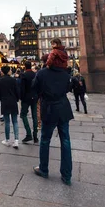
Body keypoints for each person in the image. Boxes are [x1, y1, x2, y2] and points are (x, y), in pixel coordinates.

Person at [32, 54, 74, 186]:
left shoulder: (42, 73)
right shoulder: (66, 74)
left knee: (45, 140)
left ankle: (43, 169)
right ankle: (66, 175)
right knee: (65, 141)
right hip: (63, 108)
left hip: (49, 108)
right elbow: (68, 89)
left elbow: (35, 89)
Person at [0, 66, 20, 149]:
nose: (11, 71)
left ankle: (7, 140)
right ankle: (16, 140)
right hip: (13, 101)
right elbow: (17, 91)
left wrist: (2, 99)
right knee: (15, 121)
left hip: (5, 102)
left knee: (7, 122)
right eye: (10, 70)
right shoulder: (14, 80)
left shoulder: (0, 80)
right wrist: (16, 99)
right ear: (8, 71)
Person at [19, 62, 38, 144]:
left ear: (25, 67)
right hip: (34, 97)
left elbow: (22, 88)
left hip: (26, 98)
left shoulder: (24, 75)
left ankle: (28, 133)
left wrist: (21, 98)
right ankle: (35, 135)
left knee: (23, 115)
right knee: (34, 116)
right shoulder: (35, 75)